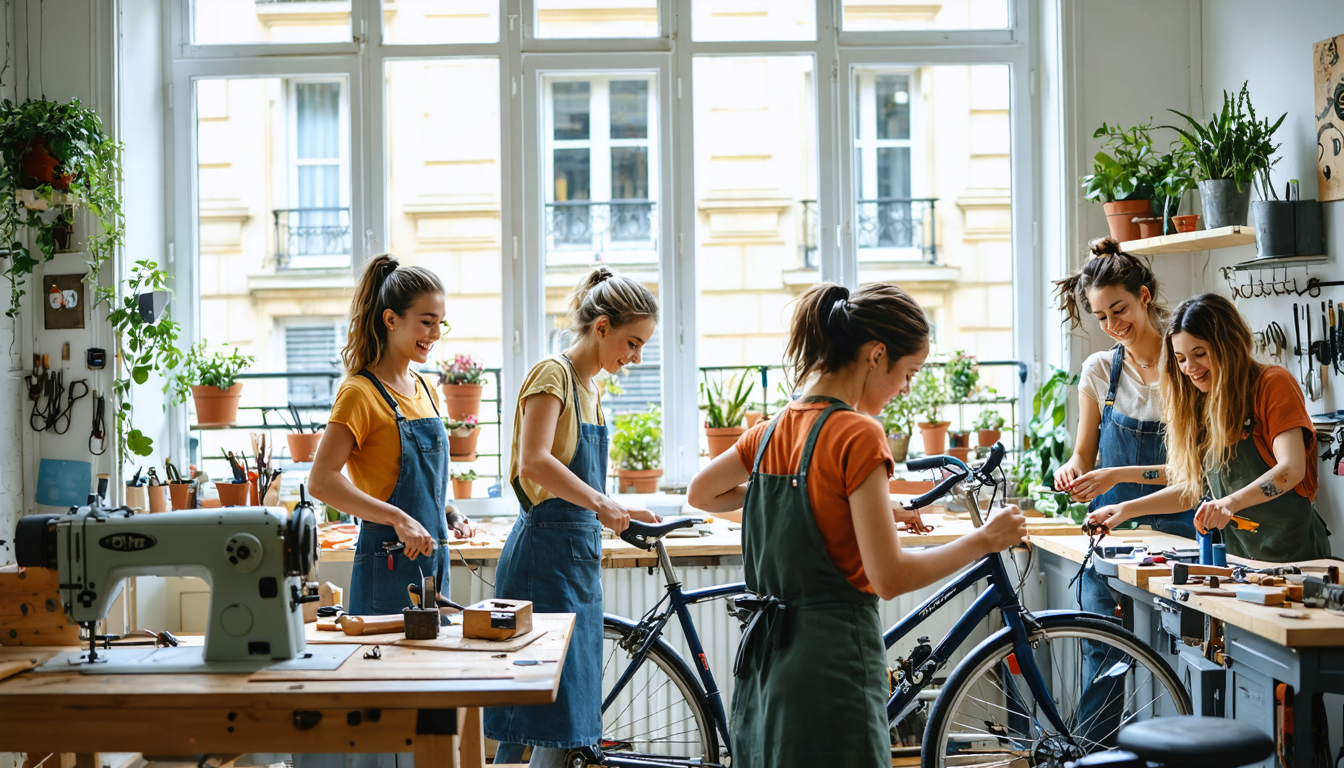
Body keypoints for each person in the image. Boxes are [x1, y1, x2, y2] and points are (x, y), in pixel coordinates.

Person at [687, 282, 1029, 768]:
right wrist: (984, 539)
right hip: (831, 674)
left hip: (765, 672)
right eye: (908, 373)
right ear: (875, 355)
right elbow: (890, 577)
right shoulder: (857, 433)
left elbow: (702, 493)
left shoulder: (768, 432)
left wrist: (842, 503)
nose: (906, 388)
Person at [486, 267, 662, 768]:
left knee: (554, 709)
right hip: (542, 559)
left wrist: (620, 506)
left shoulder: (592, 391)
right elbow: (534, 461)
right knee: (540, 706)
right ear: (601, 327)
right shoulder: (553, 374)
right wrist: (605, 504)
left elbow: (576, 480)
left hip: (574, 562)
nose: (635, 357)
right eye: (632, 343)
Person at [1052, 237, 1195, 748]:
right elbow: (1083, 454)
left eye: (1120, 309)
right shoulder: (1099, 370)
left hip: (1182, 534)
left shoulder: (1187, 364)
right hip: (1109, 535)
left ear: (1144, 295)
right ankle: (1092, 756)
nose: (1113, 324)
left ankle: (1183, 754)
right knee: (1101, 653)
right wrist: (1071, 472)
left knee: (1185, 653)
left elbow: (1191, 472)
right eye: (1101, 315)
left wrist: (1116, 479)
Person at [1088, 293, 1330, 563]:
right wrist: (1125, 509)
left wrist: (1230, 503)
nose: (1190, 368)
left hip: (1296, 558)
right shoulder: (1200, 401)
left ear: (1228, 345)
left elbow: (1291, 469)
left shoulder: (1271, 384)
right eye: (1180, 358)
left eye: (1199, 354)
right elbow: (1191, 485)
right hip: (1238, 560)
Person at [309, 253, 472, 617]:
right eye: (427, 322)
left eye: (440, 323)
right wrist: (398, 519)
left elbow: (420, 486)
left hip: (431, 568)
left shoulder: (426, 389)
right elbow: (321, 482)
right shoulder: (359, 393)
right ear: (391, 320)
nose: (435, 334)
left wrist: (449, 512)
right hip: (387, 570)